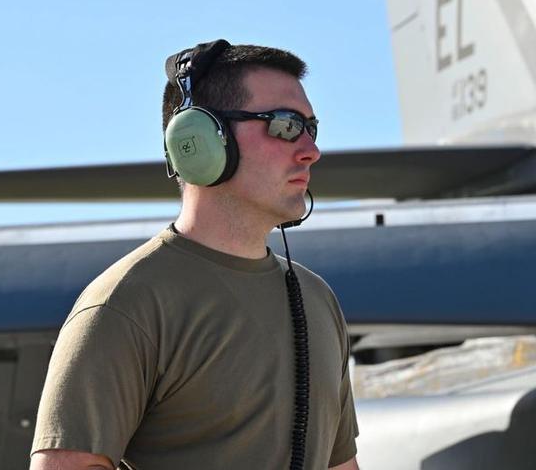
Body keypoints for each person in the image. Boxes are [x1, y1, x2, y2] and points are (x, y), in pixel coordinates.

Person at [30, 41, 360, 470]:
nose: (310, 151)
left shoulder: (316, 299)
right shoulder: (126, 303)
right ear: (200, 142)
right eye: (285, 125)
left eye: (311, 129)